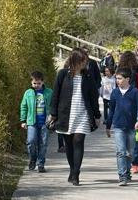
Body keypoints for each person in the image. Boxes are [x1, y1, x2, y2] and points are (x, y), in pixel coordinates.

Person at [50, 48, 100, 186]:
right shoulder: (62, 74)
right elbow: (55, 95)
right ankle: (72, 170)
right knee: (69, 144)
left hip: (83, 113)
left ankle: (76, 173)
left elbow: (93, 97)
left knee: (78, 140)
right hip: (66, 114)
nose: (85, 63)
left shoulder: (88, 76)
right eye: (83, 60)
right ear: (76, 60)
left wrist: (97, 115)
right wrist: (53, 113)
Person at [106, 68, 138, 186]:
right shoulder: (115, 93)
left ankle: (127, 173)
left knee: (130, 153)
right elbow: (111, 109)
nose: (117, 81)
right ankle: (122, 176)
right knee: (120, 152)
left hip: (131, 127)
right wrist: (108, 126)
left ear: (127, 79)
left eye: (120, 78)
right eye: (116, 78)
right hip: (118, 127)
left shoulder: (135, 92)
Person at [20, 71, 53, 173]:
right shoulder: (28, 93)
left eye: (38, 83)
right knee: (31, 141)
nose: (36, 85)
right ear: (31, 82)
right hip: (31, 122)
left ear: (43, 82)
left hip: (45, 123)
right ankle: (33, 159)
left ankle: (41, 164)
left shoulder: (49, 92)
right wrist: (23, 120)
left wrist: (53, 117)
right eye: (34, 83)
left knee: (43, 143)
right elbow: (23, 106)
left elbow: (53, 106)